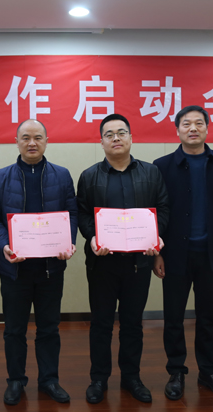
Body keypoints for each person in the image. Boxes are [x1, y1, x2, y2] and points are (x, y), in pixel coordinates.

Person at [0, 119, 77, 405]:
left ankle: (49, 380)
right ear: (17, 142)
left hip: (51, 268)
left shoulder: (62, 175)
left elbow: (71, 213)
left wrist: (67, 241)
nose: (32, 143)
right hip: (15, 269)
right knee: (14, 330)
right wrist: (5, 245)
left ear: (47, 141)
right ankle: (15, 380)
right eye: (25, 137)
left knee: (49, 328)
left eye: (38, 137)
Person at [77, 113, 169, 404]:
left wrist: (156, 236)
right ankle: (98, 378)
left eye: (121, 132)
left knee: (132, 324)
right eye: (109, 134)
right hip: (102, 263)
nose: (115, 138)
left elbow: (163, 207)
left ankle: (131, 377)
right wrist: (92, 237)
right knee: (101, 324)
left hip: (139, 263)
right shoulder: (89, 176)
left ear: (131, 137)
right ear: (101, 141)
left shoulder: (151, 172)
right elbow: (82, 213)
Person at [153, 105, 213, 400]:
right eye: (186, 123)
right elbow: (156, 213)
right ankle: (176, 372)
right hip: (174, 254)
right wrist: (157, 252)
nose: (193, 128)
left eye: (199, 123)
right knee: (173, 317)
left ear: (207, 128)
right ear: (177, 130)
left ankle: (209, 372)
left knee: (207, 318)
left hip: (212, 253)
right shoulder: (162, 166)